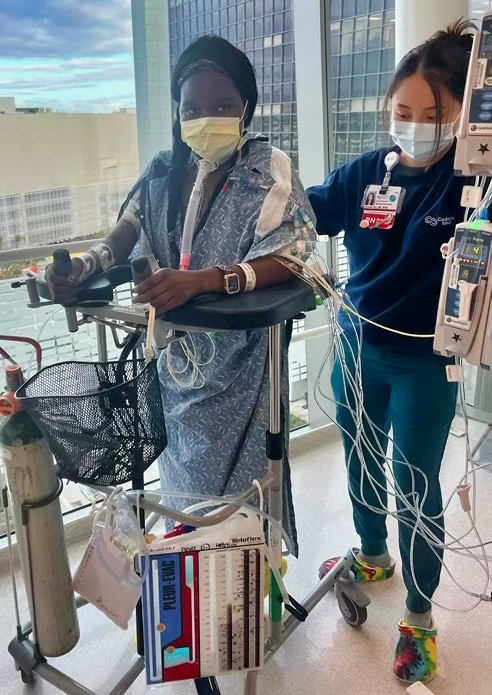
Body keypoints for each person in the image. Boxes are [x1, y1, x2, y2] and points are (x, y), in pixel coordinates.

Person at [46, 35, 316, 553]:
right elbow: (120, 236)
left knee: (244, 498)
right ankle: (189, 580)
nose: (205, 118)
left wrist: (208, 278)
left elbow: (294, 254)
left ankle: (249, 588)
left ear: (246, 109)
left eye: (222, 106)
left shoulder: (267, 168)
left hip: (243, 371)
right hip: (174, 364)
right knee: (183, 489)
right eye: (192, 108)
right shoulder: (162, 173)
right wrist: (82, 267)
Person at [307, 20, 475, 684]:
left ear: (463, 113)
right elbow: (308, 211)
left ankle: (420, 616)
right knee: (358, 455)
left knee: (415, 483)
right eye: (401, 111)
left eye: (432, 114)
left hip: (427, 365)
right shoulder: (366, 173)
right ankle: (372, 553)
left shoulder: (471, 182)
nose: (413, 125)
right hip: (357, 346)